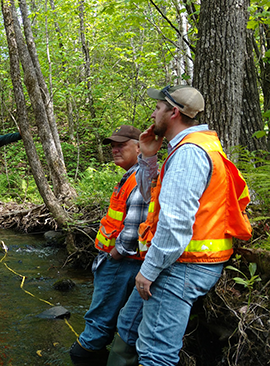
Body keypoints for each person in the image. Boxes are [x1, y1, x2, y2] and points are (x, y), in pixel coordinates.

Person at [108, 85, 252, 366]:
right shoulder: (193, 147)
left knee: (156, 351)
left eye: (158, 108)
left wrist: (147, 271)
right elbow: (154, 198)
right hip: (180, 260)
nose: (153, 112)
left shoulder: (189, 154)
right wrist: (148, 157)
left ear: (173, 112)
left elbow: (175, 227)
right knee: (127, 325)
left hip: (184, 265)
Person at [69, 126, 147, 366]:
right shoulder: (132, 175)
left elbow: (134, 225)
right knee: (112, 316)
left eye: (121, 144)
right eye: (113, 145)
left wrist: (114, 254)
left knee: (100, 318)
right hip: (120, 261)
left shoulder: (139, 178)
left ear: (139, 146)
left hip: (122, 262)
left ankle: (87, 349)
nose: (115, 149)